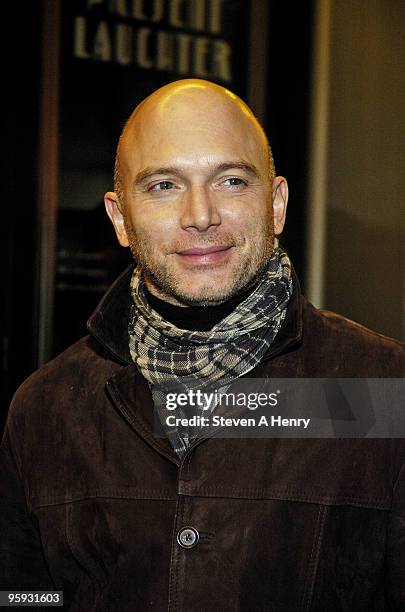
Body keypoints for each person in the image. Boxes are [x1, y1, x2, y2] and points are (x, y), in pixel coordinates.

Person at [0, 79, 404, 610]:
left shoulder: (383, 389)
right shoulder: (45, 407)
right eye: (163, 185)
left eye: (232, 180)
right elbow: (26, 597)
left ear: (277, 204)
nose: (200, 215)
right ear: (120, 218)